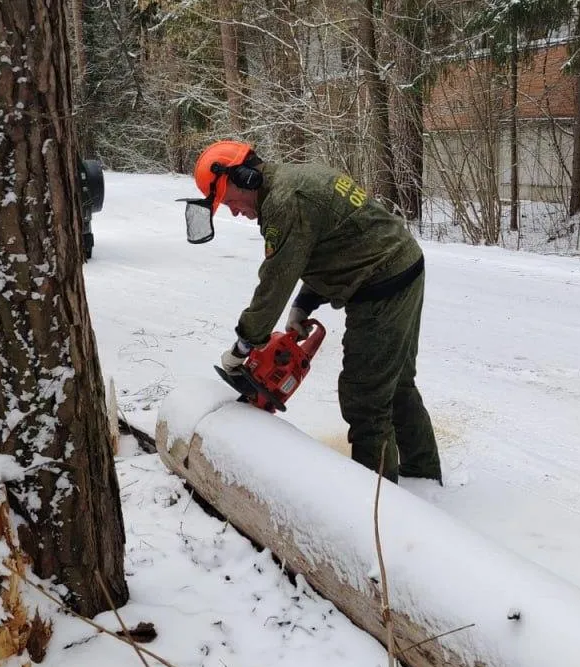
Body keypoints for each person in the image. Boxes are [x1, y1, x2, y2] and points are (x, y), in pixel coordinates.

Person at [186, 139, 441, 483]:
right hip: (402, 264)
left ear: (243, 177)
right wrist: (304, 304)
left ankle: (378, 503)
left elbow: (275, 281)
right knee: (394, 382)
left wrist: (245, 344)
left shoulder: (284, 201)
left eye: (229, 201)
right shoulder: (294, 180)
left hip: (382, 284)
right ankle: (423, 475)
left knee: (365, 396)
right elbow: (336, 246)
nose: (233, 211)